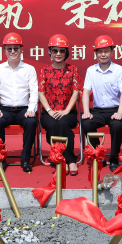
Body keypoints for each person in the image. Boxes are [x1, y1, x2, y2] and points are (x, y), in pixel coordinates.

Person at [0, 32, 39, 173]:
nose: (13, 51)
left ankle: (25, 159)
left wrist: (31, 109)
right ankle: (1, 158)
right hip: (4, 109)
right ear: (4, 50)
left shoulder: (29, 69)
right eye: (9, 48)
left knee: (31, 122)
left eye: (16, 48)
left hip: (24, 109)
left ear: (21, 49)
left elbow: (34, 91)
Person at [81, 35, 122, 172]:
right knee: (87, 123)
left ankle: (114, 158)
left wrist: (120, 112)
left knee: (117, 125)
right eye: (100, 51)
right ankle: (98, 156)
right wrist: (86, 111)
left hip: (115, 109)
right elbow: (85, 91)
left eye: (106, 51)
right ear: (95, 53)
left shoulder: (119, 70)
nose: (103, 54)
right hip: (98, 111)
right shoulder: (91, 70)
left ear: (112, 52)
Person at [38, 34, 82, 175]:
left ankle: (68, 159)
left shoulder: (73, 69)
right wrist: (50, 111)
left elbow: (76, 92)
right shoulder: (44, 70)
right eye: (55, 50)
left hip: (68, 111)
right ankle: (61, 158)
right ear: (50, 52)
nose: (58, 54)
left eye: (62, 50)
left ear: (66, 52)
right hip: (49, 111)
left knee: (63, 123)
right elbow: (41, 93)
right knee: (52, 124)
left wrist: (66, 111)